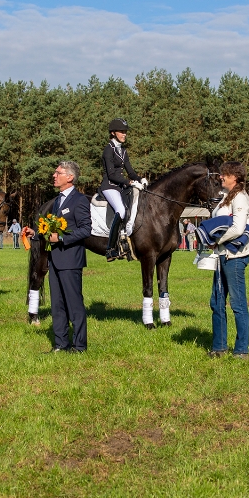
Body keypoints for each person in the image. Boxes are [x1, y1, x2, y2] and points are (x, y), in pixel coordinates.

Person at [208, 161, 249, 359]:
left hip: (235, 257)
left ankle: (241, 350)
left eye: (224, 175)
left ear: (234, 177)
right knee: (217, 302)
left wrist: (215, 239)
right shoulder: (226, 198)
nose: (220, 177)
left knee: (237, 304)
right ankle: (219, 347)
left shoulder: (241, 199)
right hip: (221, 255)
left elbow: (237, 228)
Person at [46, 161, 91, 352]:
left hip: (71, 260)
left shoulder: (79, 200)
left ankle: (79, 346)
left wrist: (62, 238)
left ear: (70, 177)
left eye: (58, 173)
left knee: (74, 305)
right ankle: (61, 344)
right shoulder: (57, 201)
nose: (54, 175)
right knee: (57, 305)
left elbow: (86, 230)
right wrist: (36, 233)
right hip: (54, 260)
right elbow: (52, 230)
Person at [100, 118, 146, 261]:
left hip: (120, 186)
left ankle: (127, 244)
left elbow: (130, 171)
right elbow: (112, 174)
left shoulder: (123, 151)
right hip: (109, 186)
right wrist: (130, 182)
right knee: (120, 210)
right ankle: (110, 249)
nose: (124, 134)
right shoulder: (108, 150)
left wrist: (140, 179)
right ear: (113, 133)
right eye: (122, 132)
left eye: (125, 132)